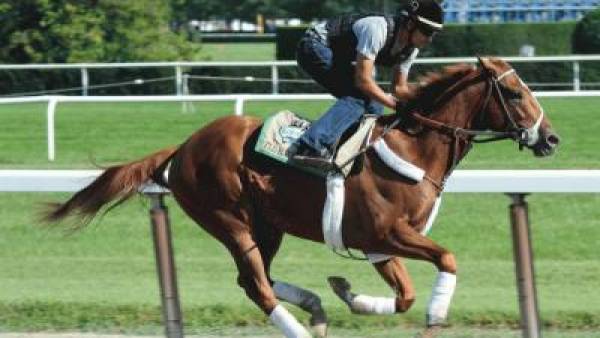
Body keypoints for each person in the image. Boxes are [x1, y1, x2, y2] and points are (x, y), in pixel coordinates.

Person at [293, 0, 444, 168]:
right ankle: (310, 146)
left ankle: (348, 153)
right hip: (315, 46)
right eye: (427, 32)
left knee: (375, 109)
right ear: (410, 24)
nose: (430, 39)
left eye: (435, 33)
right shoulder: (377, 29)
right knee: (358, 97)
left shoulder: (411, 48)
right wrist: (395, 105)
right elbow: (363, 81)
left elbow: (399, 88)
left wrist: (420, 104)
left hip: (340, 55)